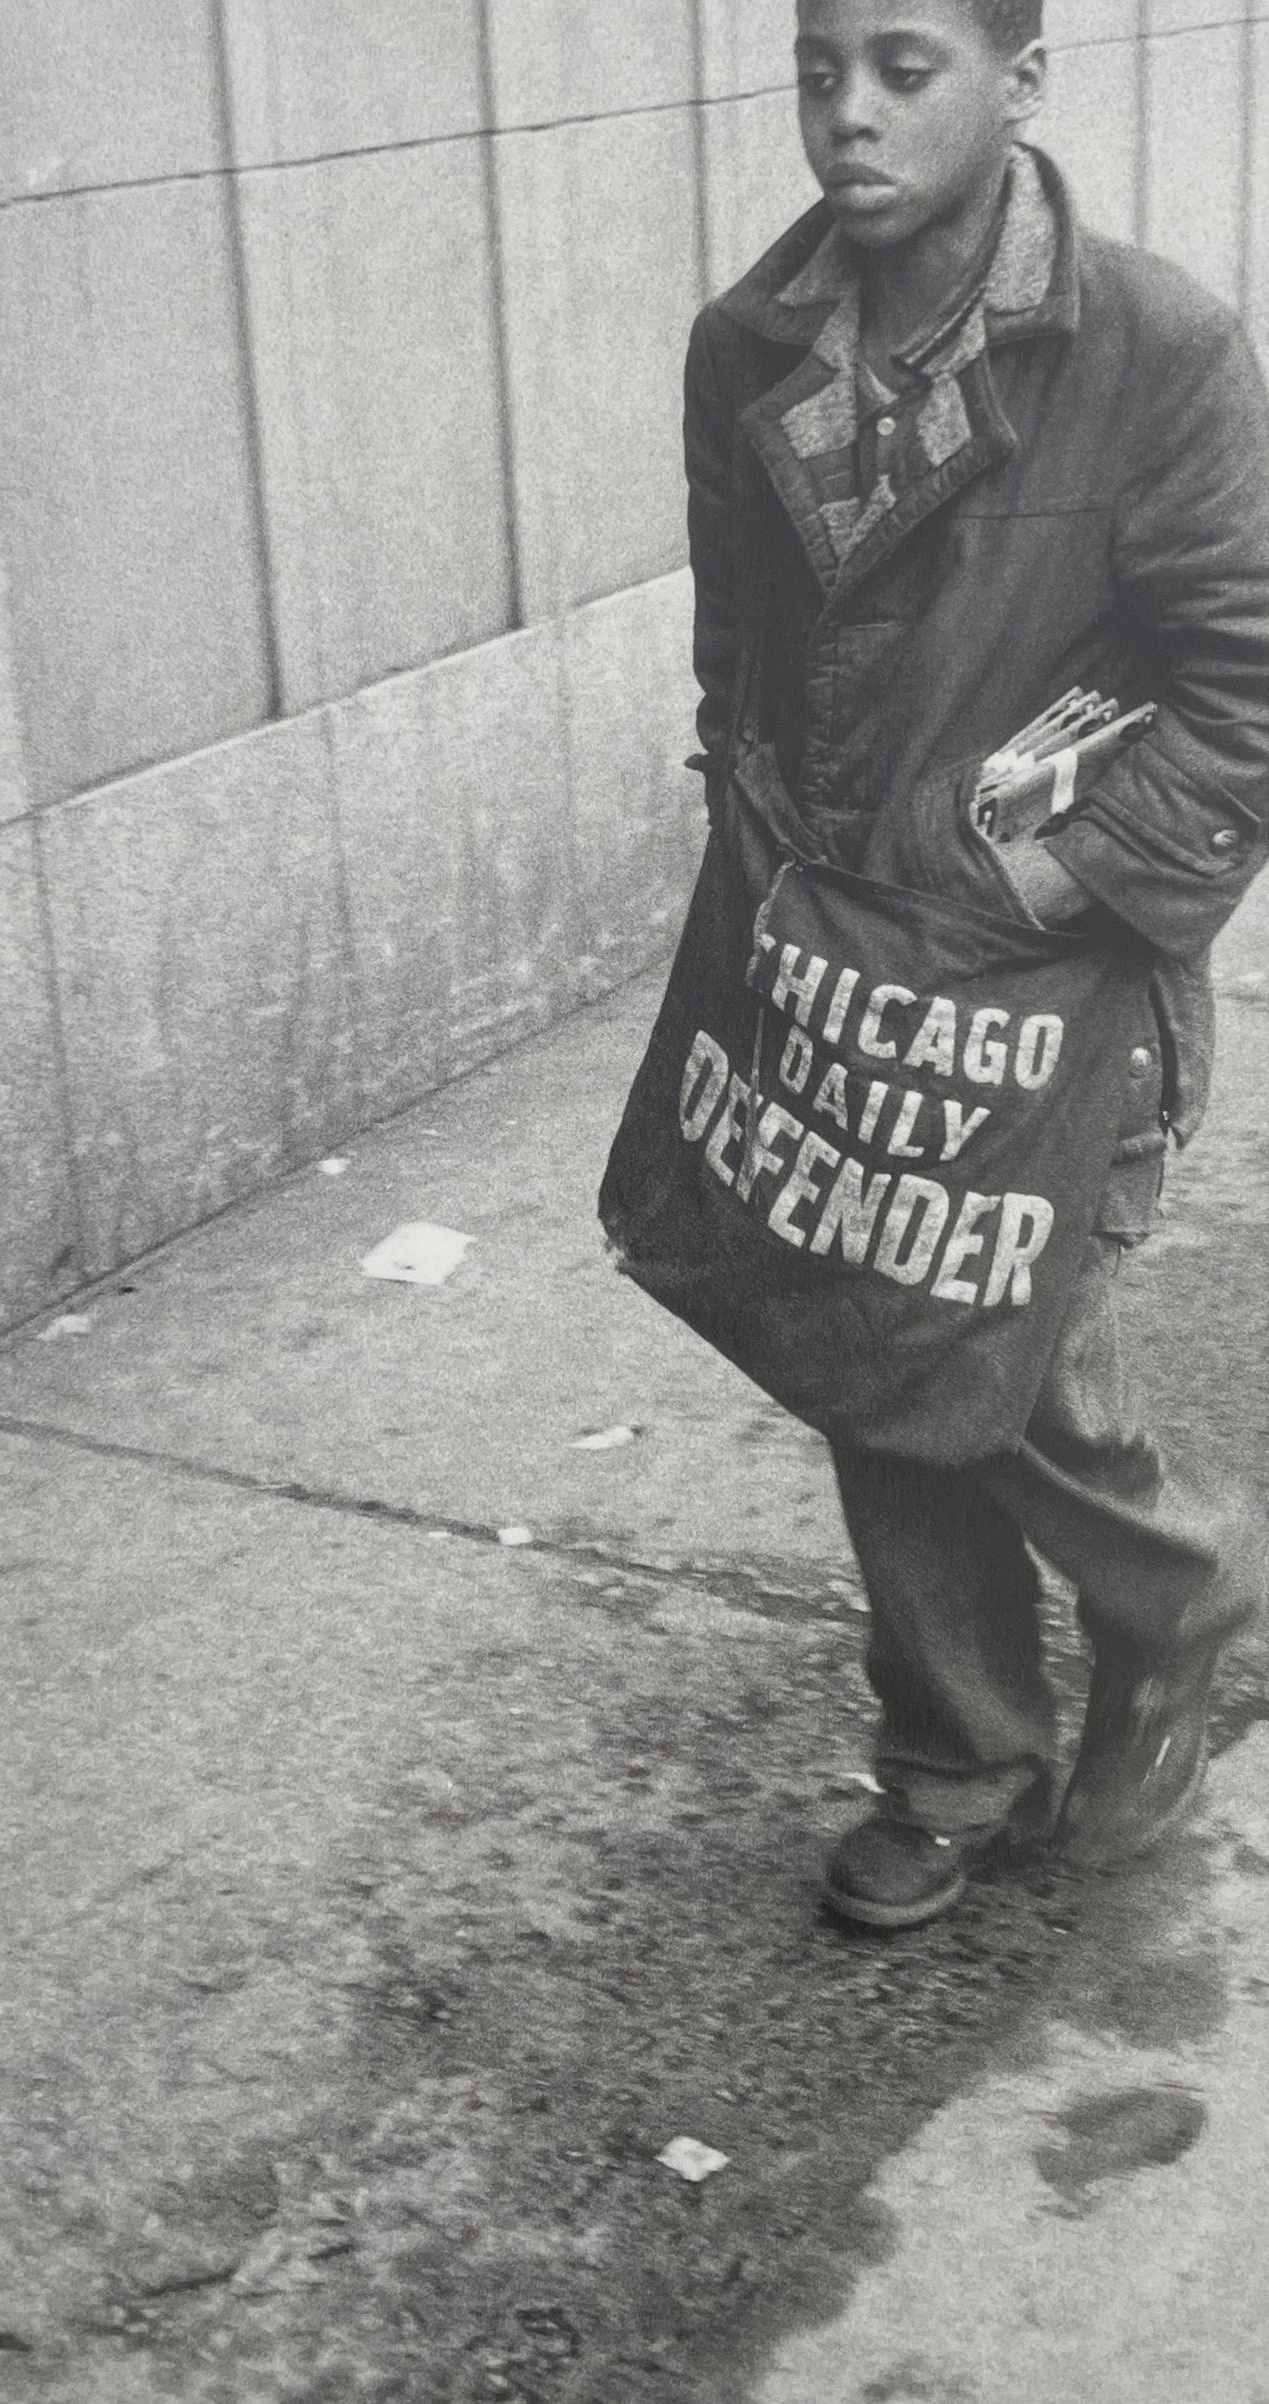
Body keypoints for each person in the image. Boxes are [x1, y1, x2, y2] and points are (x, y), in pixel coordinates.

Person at [681, 0, 1269, 1927]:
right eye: (816, 69)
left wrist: (1041, 889)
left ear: (1022, 83)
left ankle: (1175, 1595)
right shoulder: (751, 345)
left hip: (1063, 985)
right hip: (842, 970)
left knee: (1001, 1355)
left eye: (905, 69)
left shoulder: (1154, 347)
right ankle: (957, 1757)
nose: (847, 115)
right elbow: (738, 651)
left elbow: (1243, 690)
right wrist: (764, 879)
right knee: (877, 1348)